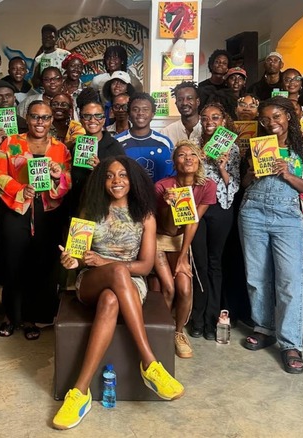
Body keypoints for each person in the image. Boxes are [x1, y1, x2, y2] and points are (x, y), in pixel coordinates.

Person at [52, 156, 184, 430]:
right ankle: (149, 363)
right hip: (90, 281)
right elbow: (76, 259)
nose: (116, 181)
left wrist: (107, 262)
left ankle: (80, 392)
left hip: (131, 284)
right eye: (110, 176)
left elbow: (146, 265)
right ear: (102, 181)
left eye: (123, 175)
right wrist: (71, 261)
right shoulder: (90, 209)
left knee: (112, 296)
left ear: (132, 180)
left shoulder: (145, 215)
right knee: (117, 273)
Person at [239, 96, 303, 374]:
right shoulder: (258, 146)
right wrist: (250, 173)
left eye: (276, 117)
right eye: (265, 119)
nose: (271, 122)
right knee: (257, 276)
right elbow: (244, 184)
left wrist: (288, 174)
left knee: (291, 281)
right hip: (253, 211)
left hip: (288, 217)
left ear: (289, 116)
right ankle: (264, 327)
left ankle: (290, 344)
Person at [0, 101, 71, 339]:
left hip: (48, 212)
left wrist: (58, 177)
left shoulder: (60, 148)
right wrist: (20, 189)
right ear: (27, 118)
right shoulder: (11, 143)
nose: (40, 122)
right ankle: (10, 315)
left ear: (51, 121)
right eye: (36, 117)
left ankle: (31, 318)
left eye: (45, 118)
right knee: (13, 262)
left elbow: (67, 178)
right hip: (17, 208)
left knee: (41, 264)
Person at [154, 141, 215, 358]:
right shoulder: (162, 186)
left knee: (185, 289)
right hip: (159, 239)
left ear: (199, 159)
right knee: (168, 289)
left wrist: (182, 257)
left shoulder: (207, 185)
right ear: (174, 161)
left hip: (182, 241)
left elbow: (193, 222)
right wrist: (169, 205)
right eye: (181, 155)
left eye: (193, 154)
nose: (188, 158)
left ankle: (178, 333)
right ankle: (161, 332)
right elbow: (168, 228)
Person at [189, 102, 241, 339]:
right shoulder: (194, 144)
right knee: (198, 264)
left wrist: (222, 167)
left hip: (221, 206)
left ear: (223, 120)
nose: (209, 121)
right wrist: (195, 161)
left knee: (214, 263)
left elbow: (235, 184)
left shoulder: (233, 148)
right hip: (198, 206)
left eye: (215, 117)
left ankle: (212, 321)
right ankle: (197, 319)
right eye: (205, 117)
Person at [114, 92, 174, 183]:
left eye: (145, 109)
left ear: (152, 114)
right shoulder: (116, 142)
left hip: (158, 195)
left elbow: (172, 176)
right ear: (129, 114)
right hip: (128, 196)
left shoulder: (164, 142)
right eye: (135, 109)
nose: (140, 113)